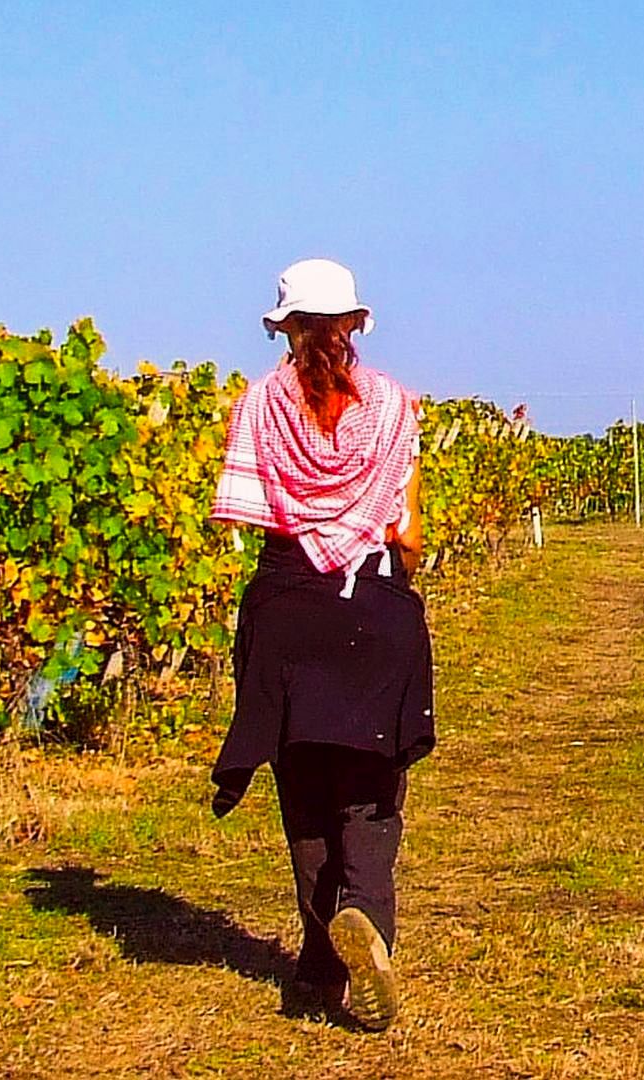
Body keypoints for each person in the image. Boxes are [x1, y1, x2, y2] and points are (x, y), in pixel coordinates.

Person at [208, 258, 435, 1031]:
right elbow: (406, 528)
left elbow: (248, 512)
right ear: (355, 324)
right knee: (370, 788)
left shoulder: (259, 404)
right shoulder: (394, 405)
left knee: (302, 789)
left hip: (288, 605)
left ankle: (316, 963)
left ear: (285, 326)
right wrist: (395, 581)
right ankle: (365, 918)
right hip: (372, 601)